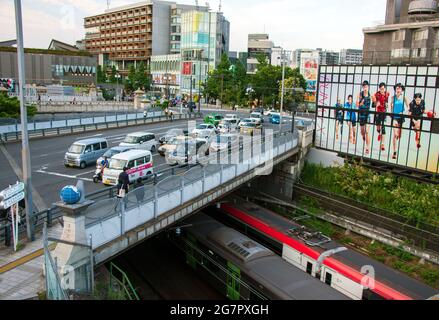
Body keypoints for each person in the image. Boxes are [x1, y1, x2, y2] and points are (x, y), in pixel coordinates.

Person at [390, 83, 410, 160]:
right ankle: (395, 151)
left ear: (402, 90)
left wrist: (404, 112)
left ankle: (398, 135)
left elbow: (408, 107)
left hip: (401, 118)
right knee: (395, 134)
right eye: (397, 88)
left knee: (399, 135)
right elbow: (390, 107)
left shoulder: (404, 97)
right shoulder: (392, 98)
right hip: (394, 117)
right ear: (395, 89)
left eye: (399, 88)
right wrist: (391, 109)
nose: (398, 90)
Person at [373, 82, 390, 152]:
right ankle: (379, 132)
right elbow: (373, 104)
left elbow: (387, 102)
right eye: (381, 89)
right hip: (378, 112)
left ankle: (382, 144)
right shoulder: (376, 94)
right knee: (378, 128)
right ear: (379, 89)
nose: (382, 90)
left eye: (383, 89)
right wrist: (376, 103)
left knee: (383, 127)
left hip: (384, 113)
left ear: (385, 88)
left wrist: (387, 105)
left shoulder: (387, 94)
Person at [356, 81, 372, 154]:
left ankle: (367, 147)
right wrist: (360, 103)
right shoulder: (360, 94)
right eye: (364, 87)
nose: (365, 88)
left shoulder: (370, 95)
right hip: (361, 115)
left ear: (368, 87)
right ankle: (364, 137)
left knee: (367, 131)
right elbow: (356, 104)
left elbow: (375, 103)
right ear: (362, 87)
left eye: (366, 86)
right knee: (363, 132)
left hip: (367, 114)